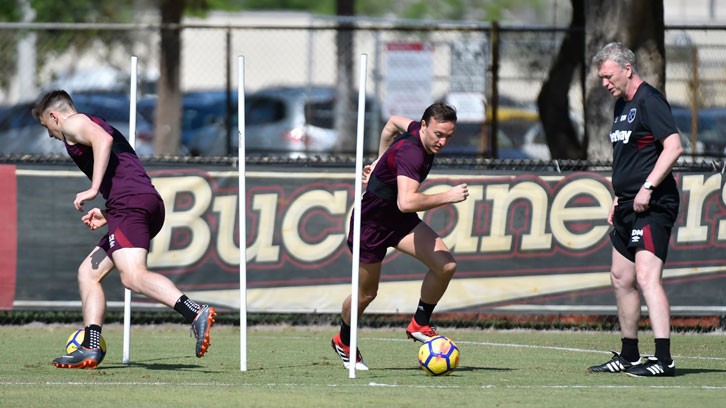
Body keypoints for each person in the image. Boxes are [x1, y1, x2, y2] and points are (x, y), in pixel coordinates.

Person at [32, 90, 216, 369]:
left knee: (132, 277)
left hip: (129, 203)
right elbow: (122, 166)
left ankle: (195, 311)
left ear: (55, 116)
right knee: (88, 273)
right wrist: (108, 213)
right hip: (138, 203)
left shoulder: (73, 123)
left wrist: (94, 190)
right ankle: (91, 347)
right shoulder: (93, 121)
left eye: (48, 127)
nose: (50, 135)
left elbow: (102, 141)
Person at [331, 103, 469, 370]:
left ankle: (420, 322)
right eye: (438, 134)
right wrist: (448, 196)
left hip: (398, 220)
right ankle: (344, 341)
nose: (442, 141)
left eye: (448, 136)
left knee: (445, 266)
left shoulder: (418, 130)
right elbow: (407, 202)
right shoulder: (412, 154)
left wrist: (379, 163)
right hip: (371, 225)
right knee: (366, 294)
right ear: (425, 126)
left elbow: (393, 122)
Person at [588, 43, 683, 377]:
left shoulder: (649, 100)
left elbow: (673, 147)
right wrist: (619, 195)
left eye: (608, 76)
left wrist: (647, 187)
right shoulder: (621, 106)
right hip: (628, 203)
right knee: (621, 277)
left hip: (653, 204)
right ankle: (629, 355)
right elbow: (628, 157)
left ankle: (664, 360)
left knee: (646, 277)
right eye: (601, 77)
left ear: (627, 69)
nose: (604, 83)